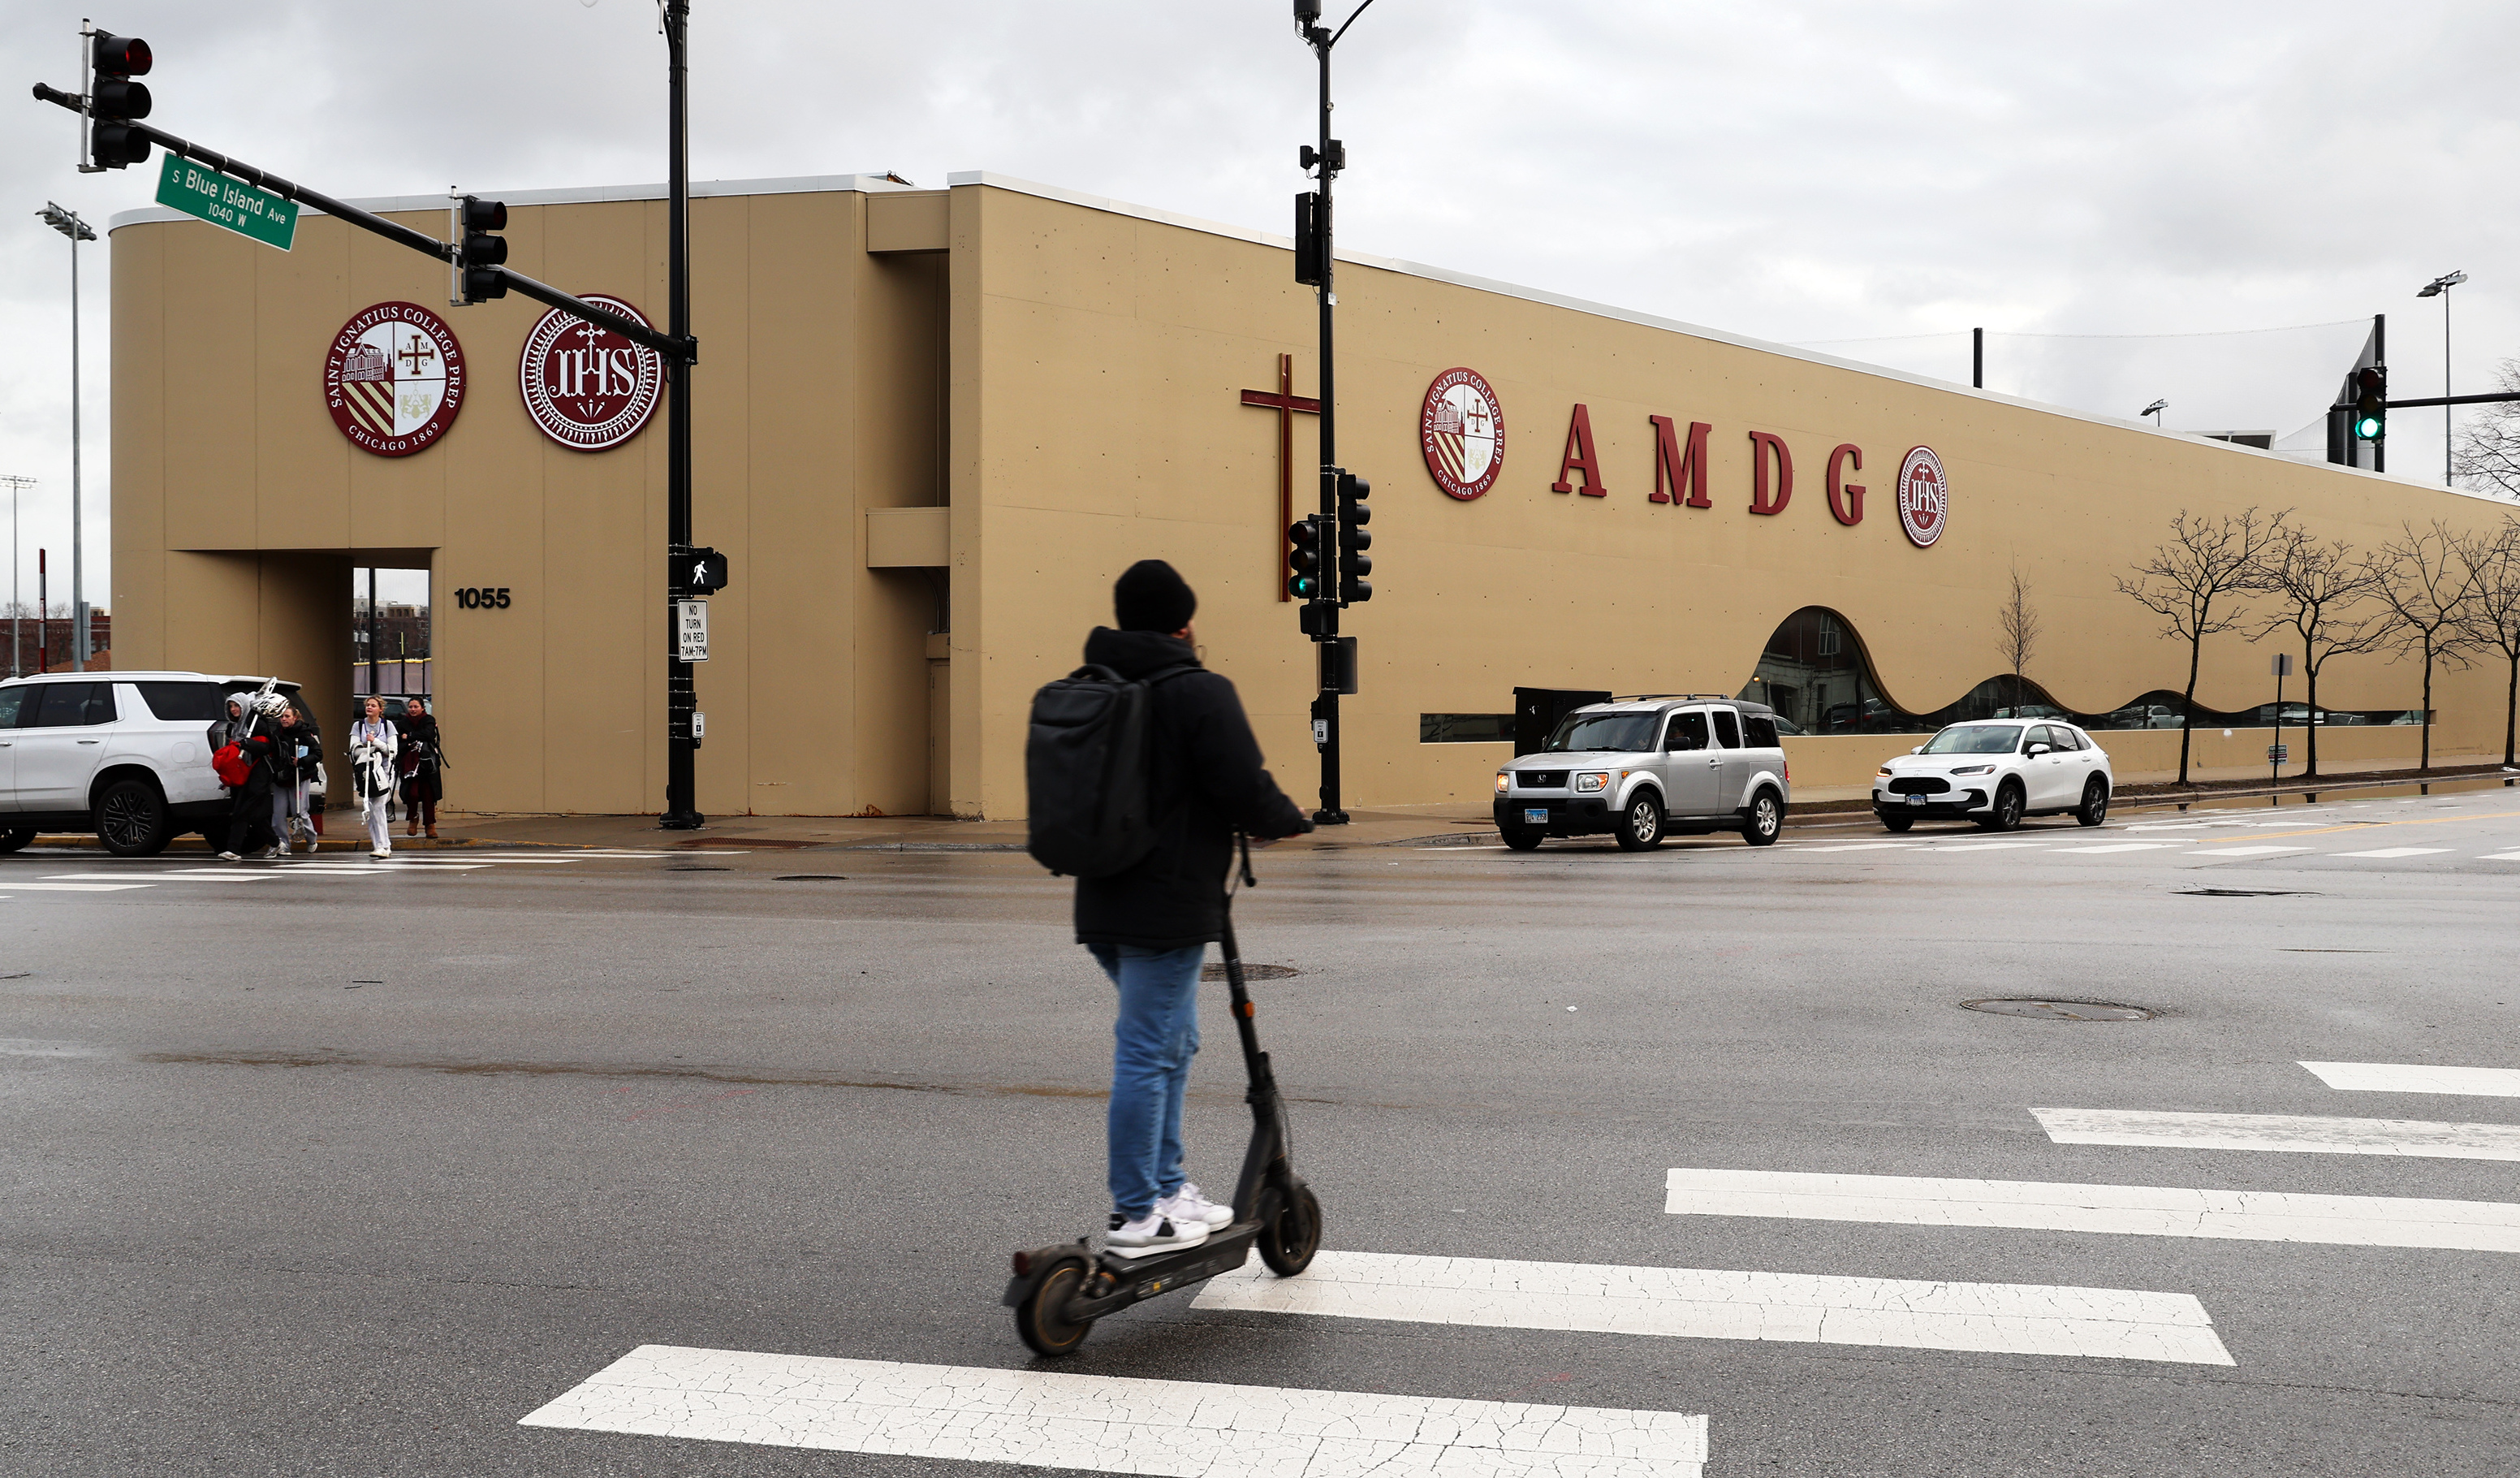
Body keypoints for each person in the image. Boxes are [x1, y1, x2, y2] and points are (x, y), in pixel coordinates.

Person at [1073, 560, 1310, 1255]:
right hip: (1167, 905)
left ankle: (1169, 1188)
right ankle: (1137, 1212)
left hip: (1103, 900)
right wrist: (1287, 820)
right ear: (1183, 623)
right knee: (1149, 1050)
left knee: (1173, 1042)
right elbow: (1242, 783)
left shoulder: (1097, 683)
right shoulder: (1198, 690)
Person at [218, 693, 287, 861]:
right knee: (255, 816)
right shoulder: (233, 727)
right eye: (231, 706)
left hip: (258, 774)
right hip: (241, 774)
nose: (233, 709)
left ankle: (234, 850)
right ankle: (276, 843)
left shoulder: (256, 724)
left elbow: (264, 747)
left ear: (244, 706)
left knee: (243, 811)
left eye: (236, 706)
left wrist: (247, 744)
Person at [349, 696, 400, 860]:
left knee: (378, 806)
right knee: (371, 809)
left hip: (384, 772)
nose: (369, 708)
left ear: (380, 709)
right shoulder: (358, 726)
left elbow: (392, 751)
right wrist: (369, 750)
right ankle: (377, 845)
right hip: (366, 772)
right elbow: (354, 750)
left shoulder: (387, 725)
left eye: (373, 705)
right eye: (367, 705)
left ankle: (384, 845)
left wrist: (375, 742)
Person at [398, 697, 447, 839]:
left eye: (416, 707)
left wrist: (410, 736)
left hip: (427, 763)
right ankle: (413, 819)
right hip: (409, 764)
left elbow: (429, 734)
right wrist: (409, 742)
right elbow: (398, 740)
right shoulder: (402, 722)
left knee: (428, 794)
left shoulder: (428, 719)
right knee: (412, 793)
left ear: (422, 708)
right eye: (411, 707)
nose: (413, 709)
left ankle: (430, 825)